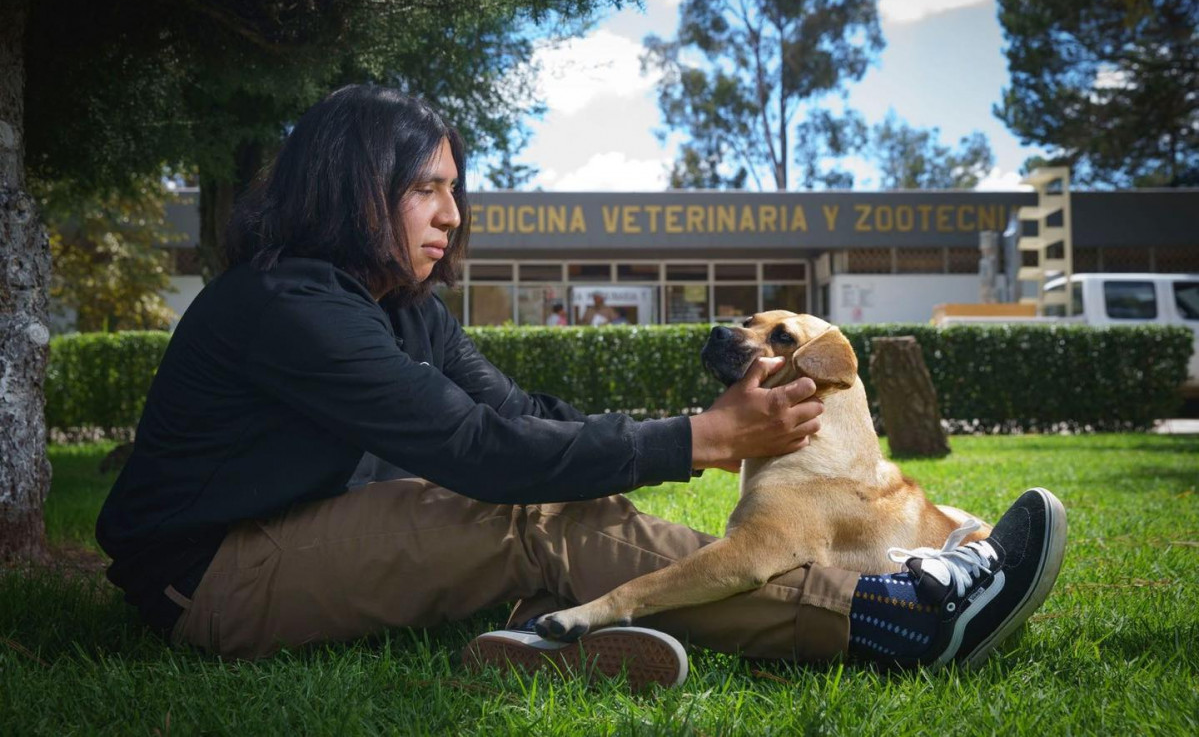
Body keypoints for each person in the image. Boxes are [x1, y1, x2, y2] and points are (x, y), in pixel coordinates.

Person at [95, 85, 1067, 688]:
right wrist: (703, 436)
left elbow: (516, 417)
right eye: (425, 188)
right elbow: (478, 455)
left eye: (455, 188)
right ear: (352, 188)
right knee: (523, 519)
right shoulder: (290, 306)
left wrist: (657, 441)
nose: (452, 212)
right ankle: (892, 618)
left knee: (558, 501)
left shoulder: (400, 309)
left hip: (300, 531)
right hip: (212, 575)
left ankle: (551, 630)